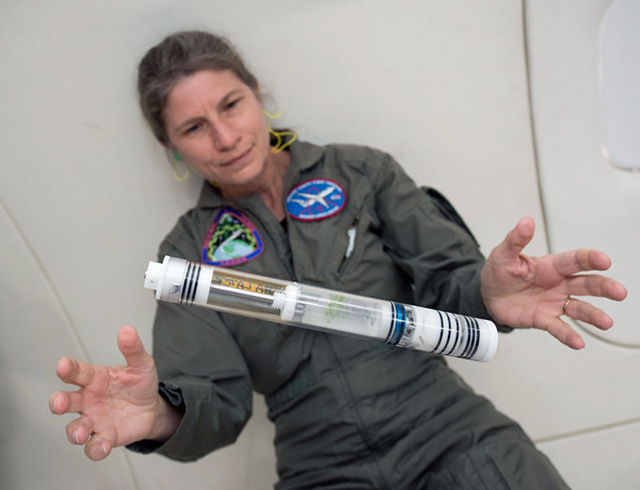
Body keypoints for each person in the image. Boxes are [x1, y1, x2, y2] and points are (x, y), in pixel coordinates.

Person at [49, 31, 627, 489]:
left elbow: (450, 285)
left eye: (232, 104)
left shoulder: (362, 173)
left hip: (453, 436)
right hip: (321, 471)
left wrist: (487, 293)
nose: (226, 137)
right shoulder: (186, 256)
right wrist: (160, 416)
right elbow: (213, 402)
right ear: (171, 146)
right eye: (195, 127)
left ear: (258, 94)